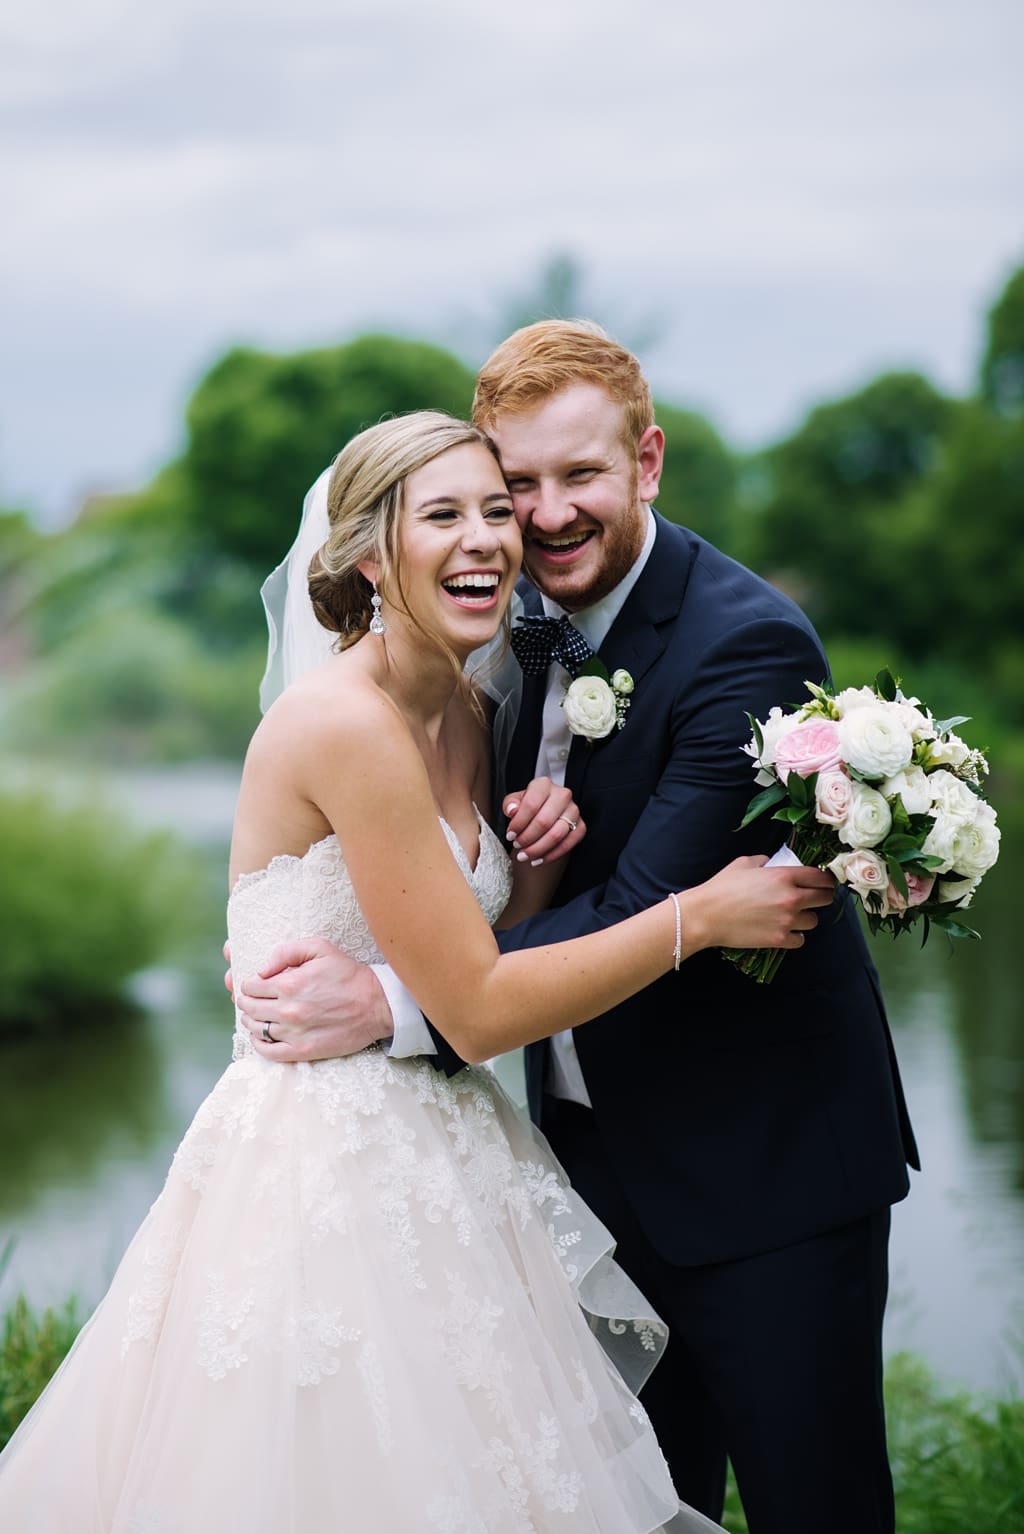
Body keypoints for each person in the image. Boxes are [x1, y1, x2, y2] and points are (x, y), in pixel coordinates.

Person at [0, 411, 833, 1534]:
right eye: (442, 514)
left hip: (450, 1150)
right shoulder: (345, 726)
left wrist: (534, 858)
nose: (488, 537)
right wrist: (700, 914)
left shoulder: (470, 707)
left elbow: (474, 937)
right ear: (361, 557)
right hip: (326, 1172)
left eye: (495, 510)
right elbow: (480, 1009)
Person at [234, 326, 920, 1534]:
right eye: (514, 486)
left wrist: (399, 1003)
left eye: (579, 477)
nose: (540, 517)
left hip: (759, 1175)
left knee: (817, 1505)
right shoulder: (480, 639)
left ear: (646, 462)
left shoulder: (739, 642)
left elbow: (638, 898)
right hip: (573, 1179)